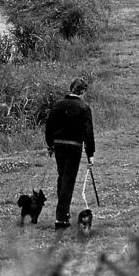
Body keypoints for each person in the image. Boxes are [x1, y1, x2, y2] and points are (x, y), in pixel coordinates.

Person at [45, 77, 95, 231]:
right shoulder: (83, 107)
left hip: (59, 145)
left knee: (62, 177)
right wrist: (90, 153)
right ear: (82, 91)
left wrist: (50, 145)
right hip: (74, 146)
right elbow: (88, 132)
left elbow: (49, 126)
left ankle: (63, 213)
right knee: (68, 180)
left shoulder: (58, 105)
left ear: (71, 88)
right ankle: (60, 219)